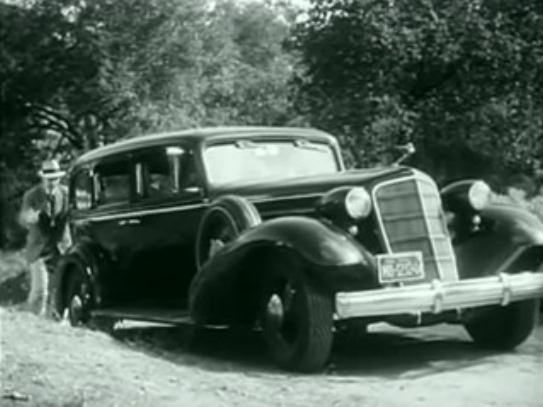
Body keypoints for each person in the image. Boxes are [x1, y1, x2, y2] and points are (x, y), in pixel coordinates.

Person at [19, 159, 72, 317]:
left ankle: (55, 322)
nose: (52, 183)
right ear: (43, 179)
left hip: (60, 247)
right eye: (49, 179)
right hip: (38, 248)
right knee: (40, 290)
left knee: (58, 289)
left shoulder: (65, 193)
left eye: (55, 179)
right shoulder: (32, 195)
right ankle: (33, 323)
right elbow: (24, 217)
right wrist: (30, 217)